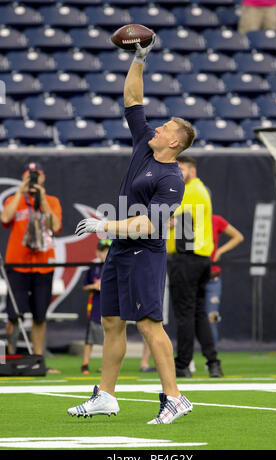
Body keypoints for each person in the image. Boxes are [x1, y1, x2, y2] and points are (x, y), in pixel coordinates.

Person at [67, 35, 196, 424]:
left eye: (166, 126)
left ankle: (174, 396)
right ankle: (106, 394)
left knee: (148, 324)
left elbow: (149, 223)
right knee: (109, 320)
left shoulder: (173, 177)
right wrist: (140, 59)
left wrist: (103, 224)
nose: (157, 126)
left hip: (145, 251)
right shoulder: (144, 143)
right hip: (121, 249)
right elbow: (133, 100)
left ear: (175, 141)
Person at [0, 162, 62, 366]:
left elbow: (56, 225)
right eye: (30, 176)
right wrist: (20, 191)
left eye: (37, 176)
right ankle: (10, 357)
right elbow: (5, 217)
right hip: (17, 264)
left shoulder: (51, 200)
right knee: (13, 315)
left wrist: (42, 197)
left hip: (43, 264)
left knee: (40, 316)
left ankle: (38, 359)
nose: (34, 179)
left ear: (43, 178)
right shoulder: (13, 199)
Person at [167, 156, 223, 378]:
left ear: (193, 170)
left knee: (184, 314)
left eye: (181, 169)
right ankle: (213, 363)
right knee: (198, 312)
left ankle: (182, 365)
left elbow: (171, 220)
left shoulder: (189, 191)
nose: (177, 173)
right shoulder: (200, 189)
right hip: (201, 259)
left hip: (186, 258)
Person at [206, 215, 244, 346]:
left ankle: (211, 360)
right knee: (191, 317)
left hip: (212, 277)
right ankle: (188, 359)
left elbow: (238, 236)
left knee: (212, 316)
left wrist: (220, 251)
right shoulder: (188, 220)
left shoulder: (216, 220)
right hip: (194, 276)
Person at [81, 239, 112, 375]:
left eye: (106, 250)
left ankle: (107, 365)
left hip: (111, 307)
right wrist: (94, 286)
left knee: (110, 338)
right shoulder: (93, 268)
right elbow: (85, 285)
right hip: (95, 307)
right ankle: (85, 363)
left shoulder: (114, 266)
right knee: (90, 338)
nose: (104, 253)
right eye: (102, 250)